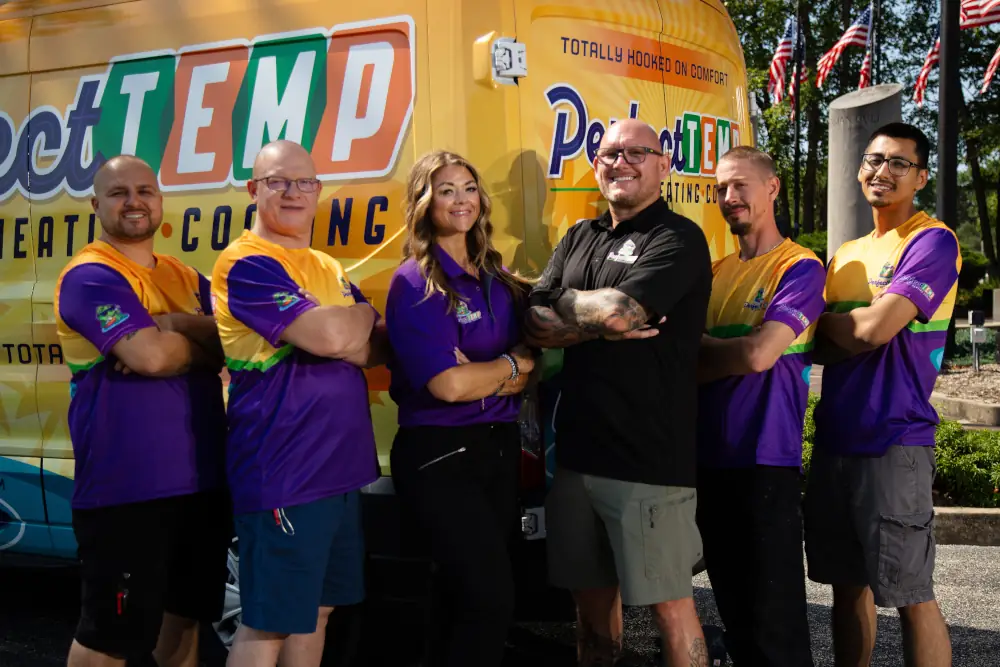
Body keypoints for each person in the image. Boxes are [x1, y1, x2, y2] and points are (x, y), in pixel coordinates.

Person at [525, 118, 713, 667]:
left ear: (663, 164)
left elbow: (618, 311)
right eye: (609, 153)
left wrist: (574, 306)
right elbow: (536, 318)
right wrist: (595, 317)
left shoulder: (677, 238)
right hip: (576, 459)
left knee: (670, 606)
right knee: (588, 610)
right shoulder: (579, 236)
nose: (620, 162)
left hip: (649, 461)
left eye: (637, 152)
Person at [211, 140, 388, 667]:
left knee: (318, 611)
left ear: (318, 190)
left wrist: (344, 327)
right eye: (277, 181)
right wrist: (352, 320)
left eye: (304, 182)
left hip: (337, 472)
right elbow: (340, 336)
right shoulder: (247, 264)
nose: (293, 192)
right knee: (268, 622)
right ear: (253, 189)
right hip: (284, 471)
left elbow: (378, 346)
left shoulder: (324, 265)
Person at [55, 155, 230, 667]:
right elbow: (150, 356)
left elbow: (234, 341)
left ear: (159, 199)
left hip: (202, 479)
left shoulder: (183, 275)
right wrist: (178, 345)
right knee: (109, 638)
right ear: (96, 205)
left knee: (185, 621)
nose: (134, 201)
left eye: (145, 190)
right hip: (126, 489)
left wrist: (168, 323)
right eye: (118, 193)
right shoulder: (91, 275)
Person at [806, 122, 960, 667]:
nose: (883, 172)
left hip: (895, 438)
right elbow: (810, 340)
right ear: (858, 168)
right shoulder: (847, 252)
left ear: (920, 176)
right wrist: (847, 325)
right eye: (875, 160)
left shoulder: (933, 241)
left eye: (899, 163)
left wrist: (834, 324)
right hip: (835, 438)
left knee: (911, 596)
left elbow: (875, 331)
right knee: (846, 589)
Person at [384, 150, 536, 667]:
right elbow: (448, 385)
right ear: (425, 203)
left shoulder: (496, 272)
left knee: (457, 598)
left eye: (468, 187)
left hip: (497, 449)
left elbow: (530, 356)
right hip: (439, 455)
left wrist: (491, 371)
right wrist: (509, 369)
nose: (460, 200)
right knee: (489, 598)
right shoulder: (415, 281)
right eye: (445, 189)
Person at [696, 146, 824, 667]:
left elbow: (757, 354)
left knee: (776, 626)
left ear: (771, 188)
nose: (729, 197)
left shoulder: (800, 266)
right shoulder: (713, 270)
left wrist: (699, 350)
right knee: (737, 616)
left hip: (765, 460)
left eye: (740, 185)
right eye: (721, 188)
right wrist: (720, 354)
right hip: (708, 458)